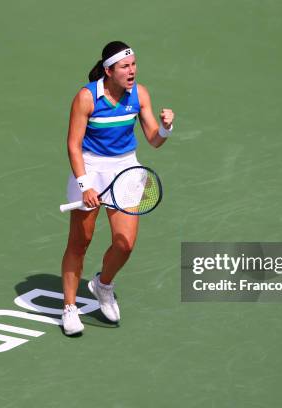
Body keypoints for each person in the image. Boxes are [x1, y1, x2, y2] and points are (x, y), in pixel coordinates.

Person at [61, 41, 174, 335]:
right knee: (80, 241)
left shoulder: (140, 94)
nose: (132, 71)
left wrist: (165, 127)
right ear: (109, 71)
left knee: (125, 243)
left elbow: (154, 139)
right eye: (125, 66)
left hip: (125, 169)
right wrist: (85, 185)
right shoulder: (86, 98)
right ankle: (70, 307)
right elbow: (73, 145)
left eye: (134, 65)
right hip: (90, 168)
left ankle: (103, 285)